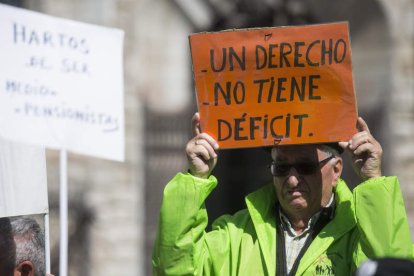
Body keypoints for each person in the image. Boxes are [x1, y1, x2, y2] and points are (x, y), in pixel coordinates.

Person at [152, 113, 413, 275]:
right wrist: (194, 179)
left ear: (336, 171)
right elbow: (172, 269)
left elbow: (393, 268)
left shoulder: (359, 234)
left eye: (306, 166)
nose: (291, 178)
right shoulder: (235, 234)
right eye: (281, 167)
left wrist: (372, 181)